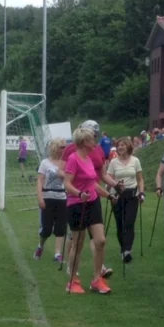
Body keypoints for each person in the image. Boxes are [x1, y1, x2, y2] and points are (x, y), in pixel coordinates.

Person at [63, 125, 119, 295]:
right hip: (76, 203)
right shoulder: (73, 159)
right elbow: (67, 184)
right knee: (78, 243)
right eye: (92, 139)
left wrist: (108, 195)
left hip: (92, 202)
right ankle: (72, 281)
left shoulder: (88, 159)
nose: (95, 141)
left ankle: (96, 280)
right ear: (84, 141)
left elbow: (92, 183)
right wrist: (79, 194)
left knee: (100, 241)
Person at [107, 137, 145, 263]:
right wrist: (109, 191)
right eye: (118, 145)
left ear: (128, 146)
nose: (120, 147)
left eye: (122, 145)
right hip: (117, 195)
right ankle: (123, 249)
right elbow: (109, 179)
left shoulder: (135, 161)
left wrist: (141, 192)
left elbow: (140, 179)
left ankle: (127, 250)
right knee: (120, 224)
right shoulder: (113, 162)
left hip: (132, 195)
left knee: (129, 222)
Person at [34, 139, 67, 264]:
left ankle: (57, 253)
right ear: (55, 148)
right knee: (46, 228)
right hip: (48, 197)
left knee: (61, 227)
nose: (64, 149)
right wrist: (40, 197)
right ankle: (40, 246)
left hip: (62, 198)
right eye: (61, 147)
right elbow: (40, 180)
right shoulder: (45, 163)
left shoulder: (66, 163)